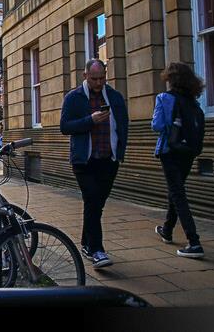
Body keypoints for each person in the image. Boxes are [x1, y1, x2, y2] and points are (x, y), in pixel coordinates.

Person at [60, 59, 129, 269]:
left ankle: (86, 244)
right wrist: (90, 120)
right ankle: (97, 250)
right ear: (85, 76)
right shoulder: (74, 98)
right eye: (94, 78)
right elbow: (65, 127)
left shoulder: (115, 97)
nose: (98, 83)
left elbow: (124, 125)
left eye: (102, 78)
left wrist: (120, 152)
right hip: (84, 161)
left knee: (96, 205)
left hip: (108, 160)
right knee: (92, 199)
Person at [152, 62, 206, 258]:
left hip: (170, 151)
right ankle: (167, 229)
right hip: (189, 153)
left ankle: (194, 242)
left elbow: (156, 125)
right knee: (176, 190)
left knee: (178, 194)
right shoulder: (193, 102)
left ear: (171, 80)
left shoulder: (165, 98)